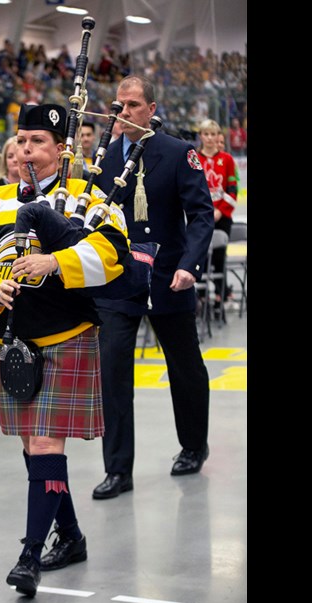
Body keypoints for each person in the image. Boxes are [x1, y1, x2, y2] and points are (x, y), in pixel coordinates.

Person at [0, 104, 130, 597]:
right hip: (9, 339)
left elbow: (114, 255)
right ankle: (70, 536)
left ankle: (30, 554)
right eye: (20, 141)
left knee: (47, 444)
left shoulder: (86, 196)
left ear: (60, 150)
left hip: (66, 334)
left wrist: (55, 261)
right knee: (33, 447)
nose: (24, 150)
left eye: (36, 142)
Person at [92, 76, 214, 501]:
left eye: (132, 105)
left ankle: (194, 445)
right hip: (119, 281)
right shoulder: (103, 158)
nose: (123, 112)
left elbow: (201, 215)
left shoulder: (179, 153)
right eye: (118, 105)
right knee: (113, 373)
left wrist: (190, 265)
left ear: (151, 108)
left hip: (168, 277)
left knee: (185, 368)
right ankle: (118, 469)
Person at [196, 118, 239, 308]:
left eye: (213, 134)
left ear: (218, 136)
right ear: (201, 136)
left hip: (222, 218)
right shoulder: (194, 158)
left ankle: (221, 295)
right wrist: (203, 211)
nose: (210, 138)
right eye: (206, 134)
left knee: (219, 256)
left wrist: (221, 211)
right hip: (200, 216)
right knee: (200, 256)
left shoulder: (227, 159)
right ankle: (202, 295)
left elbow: (232, 189)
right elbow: (192, 189)